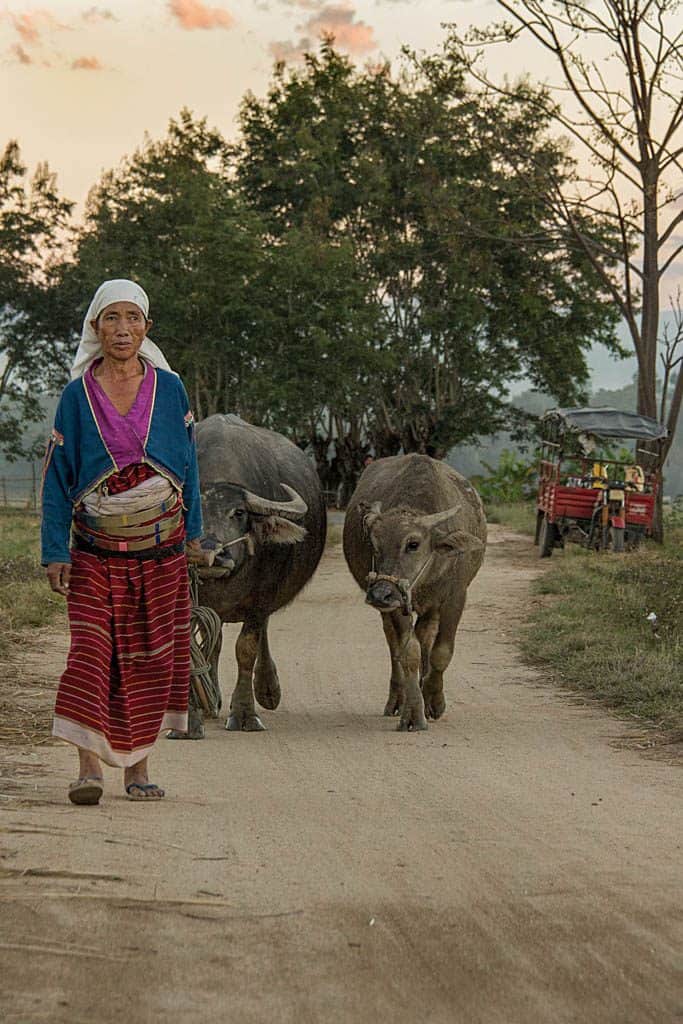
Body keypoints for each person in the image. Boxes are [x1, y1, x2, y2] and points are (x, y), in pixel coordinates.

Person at [41, 279, 203, 805]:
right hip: (94, 554)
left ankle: (137, 769)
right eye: (112, 318)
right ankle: (88, 768)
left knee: (147, 657)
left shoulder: (170, 389)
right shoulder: (75, 396)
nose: (123, 329)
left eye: (133, 318)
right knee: (90, 654)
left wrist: (194, 533)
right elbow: (57, 476)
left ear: (146, 328)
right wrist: (54, 550)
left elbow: (189, 468)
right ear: (96, 328)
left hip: (161, 555)